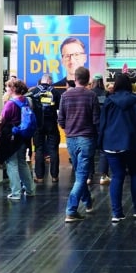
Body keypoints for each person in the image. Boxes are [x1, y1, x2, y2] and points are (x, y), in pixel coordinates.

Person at [97, 73, 136, 222]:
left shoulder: (109, 101)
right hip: (132, 144)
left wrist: (100, 143)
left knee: (117, 176)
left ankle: (116, 213)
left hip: (111, 144)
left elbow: (102, 123)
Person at [57, 66, 101, 222]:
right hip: (86, 139)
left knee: (79, 173)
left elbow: (61, 119)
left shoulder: (65, 95)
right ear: (88, 80)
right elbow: (96, 120)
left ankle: (88, 202)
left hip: (71, 139)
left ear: (75, 79)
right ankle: (71, 210)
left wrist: (69, 129)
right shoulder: (91, 96)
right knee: (81, 176)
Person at [0, 79, 35, 200]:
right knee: (22, 162)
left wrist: (0, 132)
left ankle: (16, 192)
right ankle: (30, 189)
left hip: (11, 137)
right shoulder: (26, 100)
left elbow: (2, 120)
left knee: (12, 164)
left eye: (7, 87)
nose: (6, 89)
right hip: (23, 136)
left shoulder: (10, 104)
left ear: (13, 89)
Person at [27, 72, 61, 184]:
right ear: (49, 80)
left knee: (39, 149)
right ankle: (54, 176)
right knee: (53, 149)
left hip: (38, 124)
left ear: (42, 80)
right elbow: (59, 108)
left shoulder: (34, 91)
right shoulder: (55, 92)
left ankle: (40, 177)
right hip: (51, 124)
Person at [90, 76, 110, 184]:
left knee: (90, 151)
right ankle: (103, 176)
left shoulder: (89, 93)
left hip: (90, 125)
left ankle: (89, 176)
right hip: (103, 125)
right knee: (103, 151)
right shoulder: (106, 93)